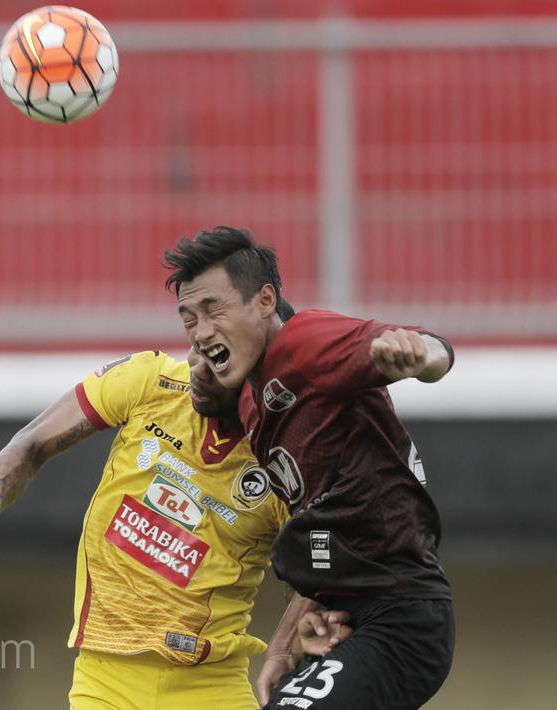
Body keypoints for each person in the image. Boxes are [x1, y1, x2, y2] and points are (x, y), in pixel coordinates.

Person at [164, 226, 455, 709]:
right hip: (350, 621)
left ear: (264, 300)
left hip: (403, 619)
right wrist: (291, 636)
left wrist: (419, 356)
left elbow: (433, 349)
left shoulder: (302, 342)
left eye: (213, 309)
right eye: (189, 318)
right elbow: (325, 519)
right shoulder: (254, 406)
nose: (202, 332)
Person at [0, 343, 313, 709]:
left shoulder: (287, 459)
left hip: (214, 683)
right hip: (105, 681)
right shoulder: (152, 380)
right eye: (196, 347)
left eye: (217, 359)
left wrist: (282, 647)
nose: (197, 365)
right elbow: (32, 441)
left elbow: (314, 578)